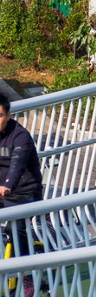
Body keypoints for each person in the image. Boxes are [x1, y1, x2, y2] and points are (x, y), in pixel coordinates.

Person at [0, 94, 43, 261]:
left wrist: (7, 185)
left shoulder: (20, 137)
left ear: (8, 115)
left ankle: (26, 276)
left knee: (16, 229)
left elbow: (17, 165)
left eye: (0, 115)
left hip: (24, 193)